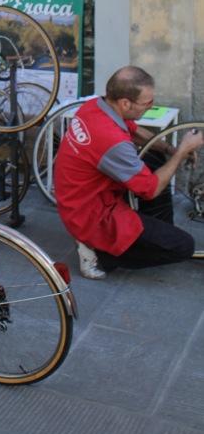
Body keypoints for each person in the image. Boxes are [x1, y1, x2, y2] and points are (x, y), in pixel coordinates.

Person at [54, 66, 201, 279]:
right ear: (125, 103)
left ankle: (149, 230)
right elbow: (150, 190)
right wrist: (182, 153)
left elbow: (135, 131)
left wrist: (171, 150)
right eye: (147, 102)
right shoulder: (112, 141)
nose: (151, 106)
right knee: (183, 246)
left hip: (79, 195)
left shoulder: (96, 105)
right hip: (91, 214)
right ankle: (99, 255)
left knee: (153, 158)